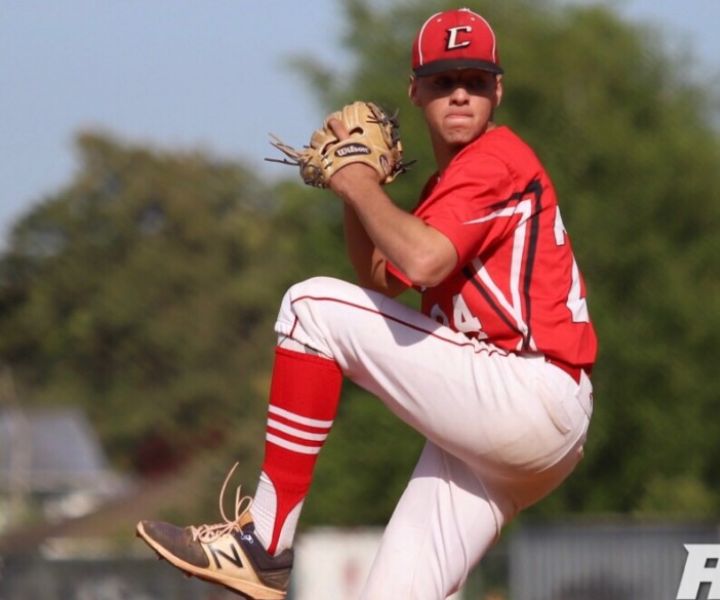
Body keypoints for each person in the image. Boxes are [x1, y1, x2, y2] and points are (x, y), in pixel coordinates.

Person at [136, 7, 597, 599]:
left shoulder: (497, 160)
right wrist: (359, 192)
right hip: (503, 430)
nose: (460, 95)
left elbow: (426, 261)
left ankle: (264, 544)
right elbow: (382, 277)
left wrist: (352, 178)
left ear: (498, 90)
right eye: (443, 81)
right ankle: (266, 551)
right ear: (416, 90)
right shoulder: (449, 186)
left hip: (529, 392)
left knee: (310, 308)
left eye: (476, 81)